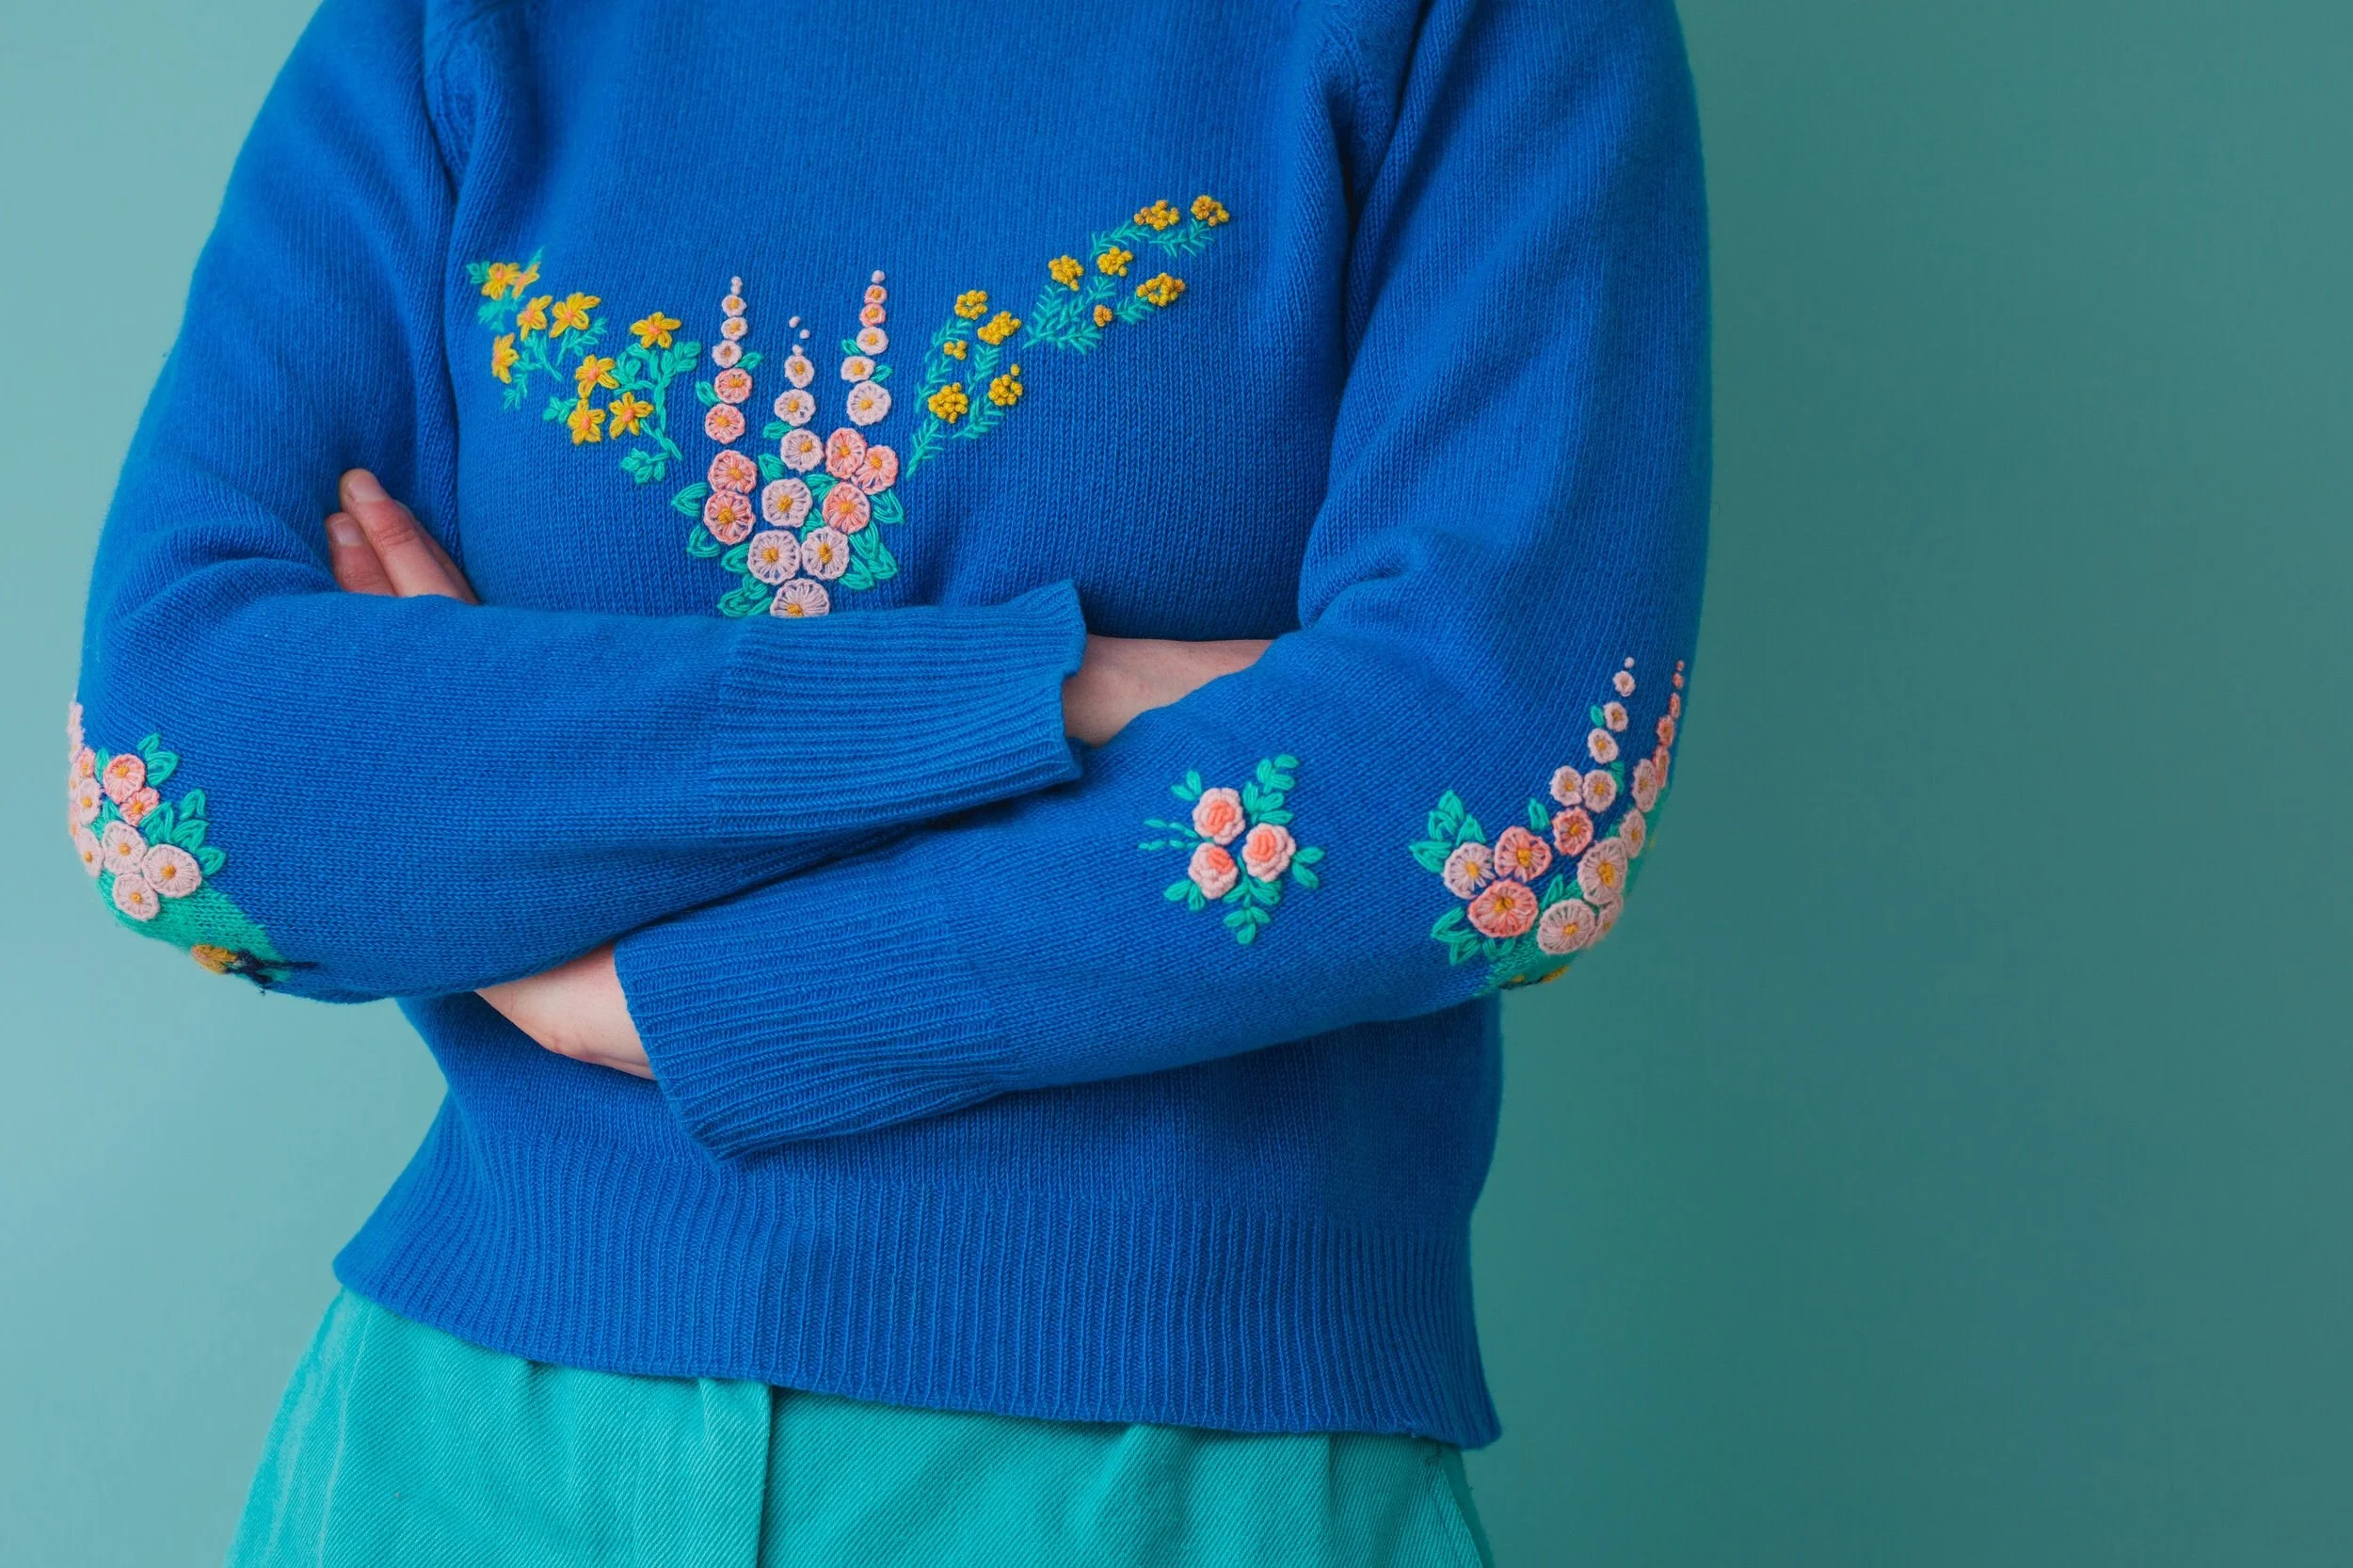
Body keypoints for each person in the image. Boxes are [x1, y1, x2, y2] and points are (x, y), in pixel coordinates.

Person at [66, 0, 1710, 1560]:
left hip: (1178, 1475)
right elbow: (177, 770)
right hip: (463, 1450)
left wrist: (666, 997)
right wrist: (1046, 685)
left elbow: (1502, 792)